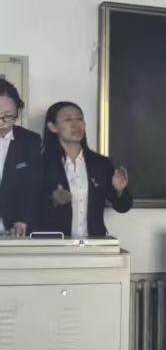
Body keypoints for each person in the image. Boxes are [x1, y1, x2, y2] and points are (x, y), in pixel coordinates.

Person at [37, 101, 132, 238]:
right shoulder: (41, 163)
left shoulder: (101, 163)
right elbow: (27, 206)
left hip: (93, 243)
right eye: (68, 119)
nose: (76, 124)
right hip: (54, 244)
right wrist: (52, 199)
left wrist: (120, 190)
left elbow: (123, 207)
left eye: (79, 119)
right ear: (52, 127)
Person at [0, 78, 41, 237]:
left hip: (13, 229)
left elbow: (33, 186)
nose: (1, 122)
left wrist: (23, 219)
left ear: (17, 113)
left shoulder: (29, 141)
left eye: (7, 116)